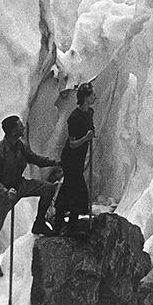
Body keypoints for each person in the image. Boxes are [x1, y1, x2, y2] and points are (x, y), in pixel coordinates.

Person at [0, 114, 62, 277]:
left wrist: (53, 162)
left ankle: (39, 223)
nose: (23, 127)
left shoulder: (20, 146)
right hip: (0, 195)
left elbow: (34, 159)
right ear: (12, 131)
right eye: (20, 126)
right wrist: (6, 191)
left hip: (19, 185)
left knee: (48, 189)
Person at [54, 82, 96, 233]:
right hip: (71, 158)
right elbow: (72, 144)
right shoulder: (74, 117)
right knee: (76, 189)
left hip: (79, 158)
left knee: (69, 188)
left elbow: (90, 128)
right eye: (92, 95)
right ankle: (70, 222)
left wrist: (91, 134)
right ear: (85, 97)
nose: (94, 97)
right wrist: (86, 138)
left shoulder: (89, 113)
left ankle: (63, 222)